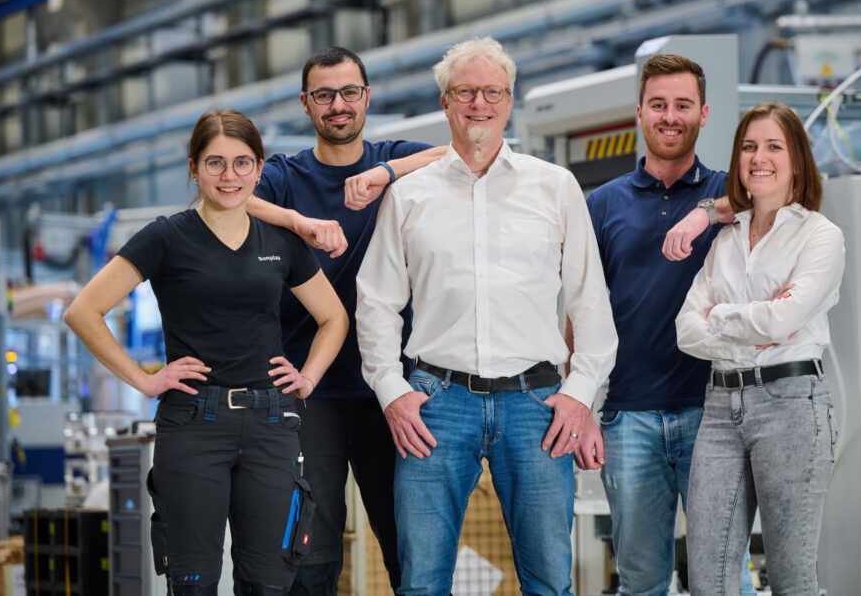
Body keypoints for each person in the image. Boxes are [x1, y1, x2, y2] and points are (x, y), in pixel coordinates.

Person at [355, 36, 618, 595]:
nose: (480, 103)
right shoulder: (409, 196)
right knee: (422, 582)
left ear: (509, 99)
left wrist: (581, 393)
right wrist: (391, 390)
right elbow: (375, 301)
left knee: (549, 580)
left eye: (492, 92)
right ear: (446, 103)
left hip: (537, 407)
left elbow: (590, 300)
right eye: (465, 92)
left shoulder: (555, 187)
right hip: (435, 405)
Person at [64, 109, 349, 595]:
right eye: (214, 163)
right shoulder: (167, 236)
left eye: (242, 163)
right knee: (193, 582)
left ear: (260, 169)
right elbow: (83, 311)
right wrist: (145, 379)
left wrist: (308, 376)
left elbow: (334, 317)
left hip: (272, 425)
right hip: (194, 424)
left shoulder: (281, 242)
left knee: (269, 583)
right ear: (194, 169)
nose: (229, 176)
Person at [247, 46, 446, 595]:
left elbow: (460, 154)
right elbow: (232, 197)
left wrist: (385, 172)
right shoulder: (285, 176)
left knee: (410, 545)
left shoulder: (394, 159)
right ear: (306, 105)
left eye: (349, 92)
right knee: (313, 551)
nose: (339, 105)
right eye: (325, 95)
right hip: (310, 392)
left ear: (367, 97)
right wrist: (300, 222)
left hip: (393, 391)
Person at [578, 53, 755, 595]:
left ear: (704, 114)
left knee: (725, 580)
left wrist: (706, 210)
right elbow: (577, 310)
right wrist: (581, 406)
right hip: (628, 417)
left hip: (718, 414)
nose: (670, 116)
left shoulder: (737, 193)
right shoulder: (602, 205)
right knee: (641, 581)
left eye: (682, 105)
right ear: (640, 113)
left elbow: (791, 194)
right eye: (658, 105)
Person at [676, 102, 844, 594]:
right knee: (708, 579)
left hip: (791, 405)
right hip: (720, 406)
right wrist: (755, 320)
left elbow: (785, 318)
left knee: (791, 579)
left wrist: (723, 315)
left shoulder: (820, 237)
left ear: (797, 160)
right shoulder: (725, 241)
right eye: (749, 146)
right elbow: (686, 330)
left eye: (774, 146)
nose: (758, 157)